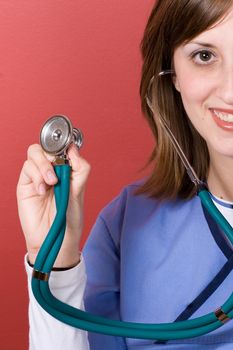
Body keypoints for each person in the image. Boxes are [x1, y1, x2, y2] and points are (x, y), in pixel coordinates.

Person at [17, 0, 233, 349]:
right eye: (204, 56)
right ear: (172, 74)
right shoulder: (127, 222)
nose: (229, 92)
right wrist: (54, 260)